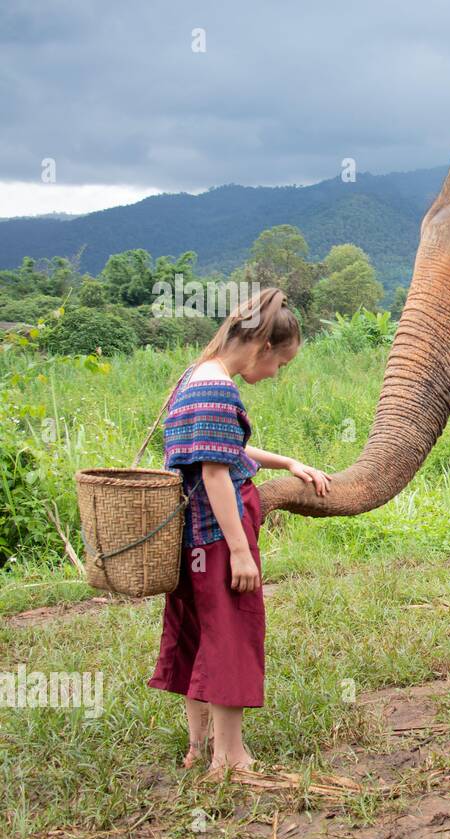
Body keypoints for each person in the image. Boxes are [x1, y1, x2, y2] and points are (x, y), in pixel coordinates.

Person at [146, 287, 331, 771]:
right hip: (217, 536)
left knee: (198, 634)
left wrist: (288, 461)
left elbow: (227, 450)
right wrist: (241, 552)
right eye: (281, 365)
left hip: (193, 541)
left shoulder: (196, 376)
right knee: (229, 636)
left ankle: (199, 745)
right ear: (264, 345)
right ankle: (230, 757)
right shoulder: (217, 388)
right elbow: (214, 474)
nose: (274, 375)